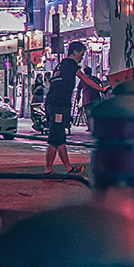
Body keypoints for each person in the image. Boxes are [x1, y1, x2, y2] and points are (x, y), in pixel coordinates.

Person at [44, 41, 107, 175]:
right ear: (75, 52)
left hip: (53, 103)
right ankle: (48, 170)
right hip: (58, 105)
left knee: (59, 137)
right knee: (55, 137)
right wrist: (101, 88)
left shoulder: (61, 65)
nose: (82, 58)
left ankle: (68, 168)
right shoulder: (70, 64)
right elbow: (86, 80)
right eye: (82, 54)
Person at [78, 65, 104, 133]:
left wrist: (78, 98)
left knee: (88, 113)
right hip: (95, 97)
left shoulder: (82, 80)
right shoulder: (94, 78)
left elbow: (79, 89)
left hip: (87, 99)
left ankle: (90, 127)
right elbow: (100, 83)